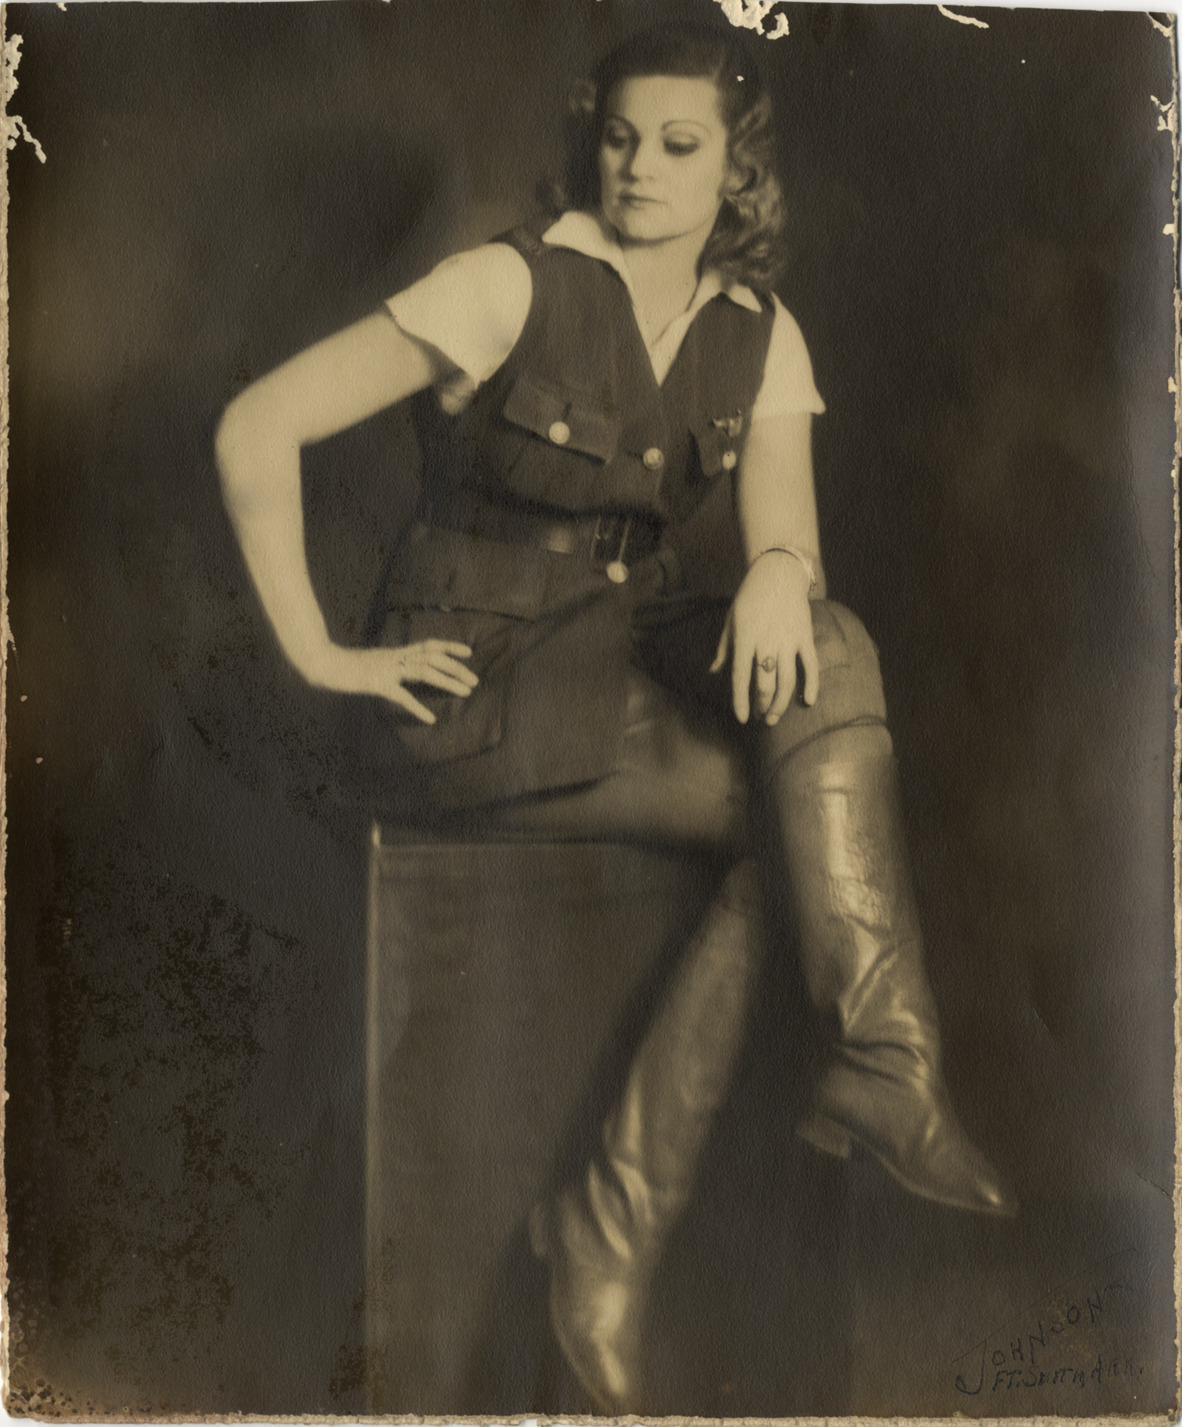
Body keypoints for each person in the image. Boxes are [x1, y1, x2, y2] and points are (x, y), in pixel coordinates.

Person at [216, 22, 1014, 1414]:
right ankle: (705, 1175)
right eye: (621, 137)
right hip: (468, 694)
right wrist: (323, 656)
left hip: (611, 673)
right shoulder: (506, 284)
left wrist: (777, 570)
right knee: (794, 813)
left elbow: (791, 541)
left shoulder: (758, 330)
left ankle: (838, 1094)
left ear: (736, 170)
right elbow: (255, 425)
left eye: (679, 145)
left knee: (828, 651)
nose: (640, 166)